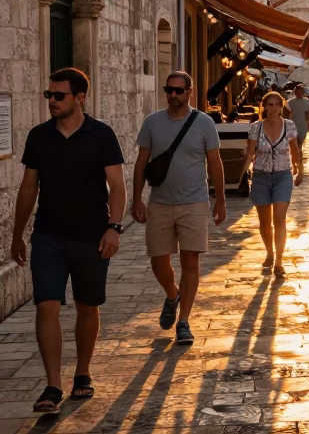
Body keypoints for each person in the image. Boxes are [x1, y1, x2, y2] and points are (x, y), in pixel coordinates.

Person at [10, 68, 125, 413]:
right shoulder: (39, 137)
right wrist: (18, 233)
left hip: (92, 236)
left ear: (79, 97)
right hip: (49, 235)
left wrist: (114, 228)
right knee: (47, 305)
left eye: (58, 95)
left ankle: (83, 372)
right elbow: (29, 187)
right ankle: (52, 385)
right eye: (49, 95)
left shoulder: (101, 135)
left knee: (87, 306)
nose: (52, 102)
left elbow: (117, 186)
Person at [133, 71, 226, 345]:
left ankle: (184, 320)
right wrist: (136, 198)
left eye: (178, 90)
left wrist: (220, 198)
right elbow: (141, 163)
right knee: (158, 261)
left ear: (189, 92)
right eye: (169, 90)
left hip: (194, 202)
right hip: (160, 203)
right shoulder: (152, 123)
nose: (173, 95)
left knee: (190, 261)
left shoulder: (204, 124)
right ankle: (172, 295)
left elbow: (215, 162)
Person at [241, 91, 301, 277]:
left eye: (276, 104)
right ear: (264, 107)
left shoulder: (289, 126)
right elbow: (251, 152)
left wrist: (300, 168)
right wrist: (242, 172)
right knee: (265, 222)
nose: (273, 108)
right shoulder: (255, 127)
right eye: (269, 105)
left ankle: (279, 261)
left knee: (280, 219)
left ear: (281, 106)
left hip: (283, 175)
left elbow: (295, 150)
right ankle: (269, 252)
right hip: (261, 176)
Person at [286, 85, 309, 170]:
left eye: (300, 92)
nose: (298, 93)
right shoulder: (290, 102)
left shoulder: (306, 102)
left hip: (302, 126)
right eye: (296, 92)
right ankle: (295, 163)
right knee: (295, 146)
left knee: (299, 145)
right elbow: (287, 114)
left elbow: (308, 114)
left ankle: (299, 159)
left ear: (302, 92)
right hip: (293, 127)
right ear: (294, 93)